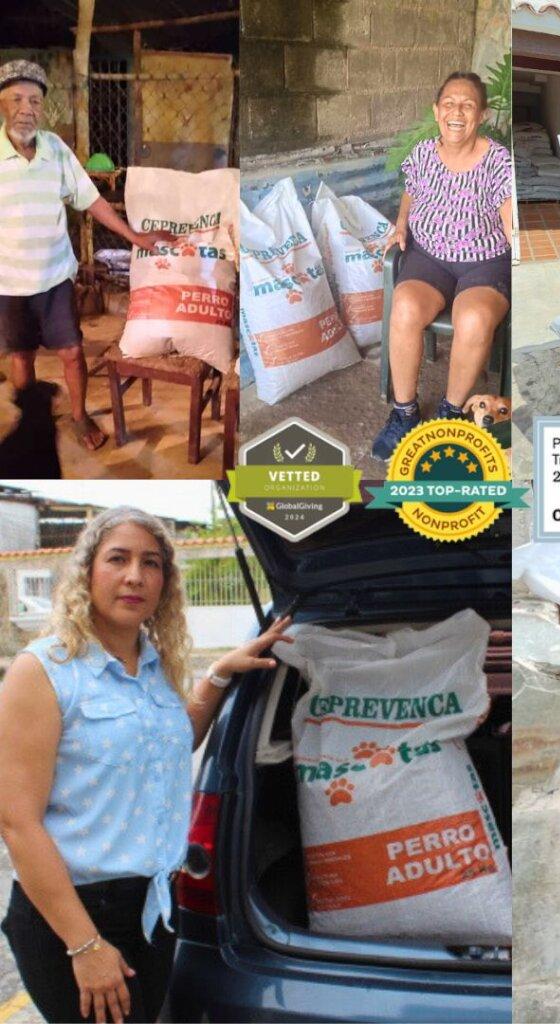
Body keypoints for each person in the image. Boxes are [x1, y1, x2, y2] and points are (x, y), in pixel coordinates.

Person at [0, 507, 292, 1023]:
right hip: (74, 915)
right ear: (87, 573)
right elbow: (17, 823)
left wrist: (218, 678)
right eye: (118, 559)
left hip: (153, 910)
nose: (135, 575)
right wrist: (84, 946)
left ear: (165, 582)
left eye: (151, 563)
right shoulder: (44, 670)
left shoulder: (154, 666)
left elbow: (170, 746)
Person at [0, 61, 176, 453]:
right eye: (16, 99)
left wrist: (132, 235)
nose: (26, 108)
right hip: (8, 282)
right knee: (21, 356)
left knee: (72, 351)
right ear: (2, 105)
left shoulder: (55, 150)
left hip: (55, 276)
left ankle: (79, 417)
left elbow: (91, 199)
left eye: (34, 100)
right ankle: (32, 423)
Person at [372, 71, 512, 461]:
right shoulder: (422, 154)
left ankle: (451, 416)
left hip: (483, 263)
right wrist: (401, 223)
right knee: (405, 307)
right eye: (449, 103)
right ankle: (404, 414)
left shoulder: (499, 162)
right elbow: (410, 194)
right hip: (429, 257)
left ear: (481, 114)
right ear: (436, 111)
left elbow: (508, 218)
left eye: (467, 105)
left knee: (474, 319)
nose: (457, 111)